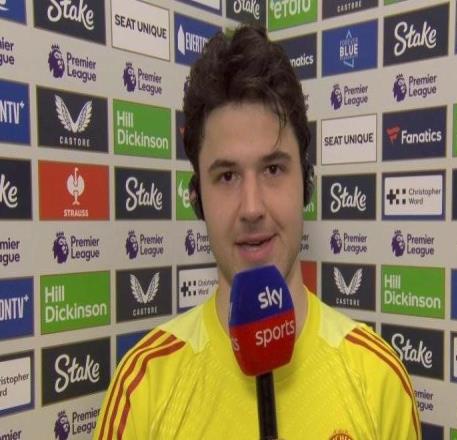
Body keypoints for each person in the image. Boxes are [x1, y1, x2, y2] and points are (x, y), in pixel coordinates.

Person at [94, 25, 421, 440]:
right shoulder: (143, 388)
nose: (251, 208)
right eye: (227, 176)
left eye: (273, 169)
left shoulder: (379, 380)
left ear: (306, 183)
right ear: (198, 198)